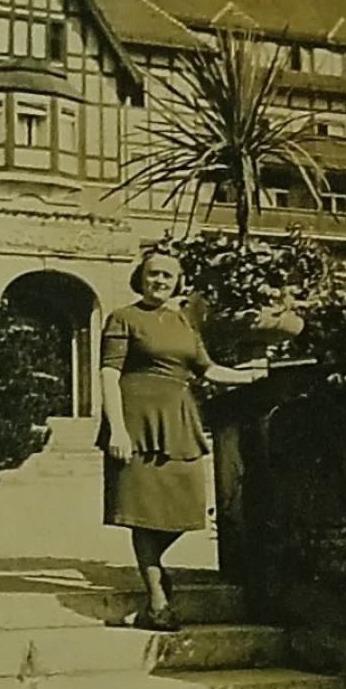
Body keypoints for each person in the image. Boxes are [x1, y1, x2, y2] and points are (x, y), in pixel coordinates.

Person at [96, 248, 267, 631]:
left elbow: (209, 370)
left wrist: (255, 376)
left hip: (178, 421)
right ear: (140, 277)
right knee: (141, 513)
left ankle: (155, 572)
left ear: (178, 283)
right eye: (153, 274)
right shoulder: (123, 318)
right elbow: (109, 374)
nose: (159, 281)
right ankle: (158, 603)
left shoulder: (184, 323)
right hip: (137, 422)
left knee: (186, 508)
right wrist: (117, 429)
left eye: (167, 276)